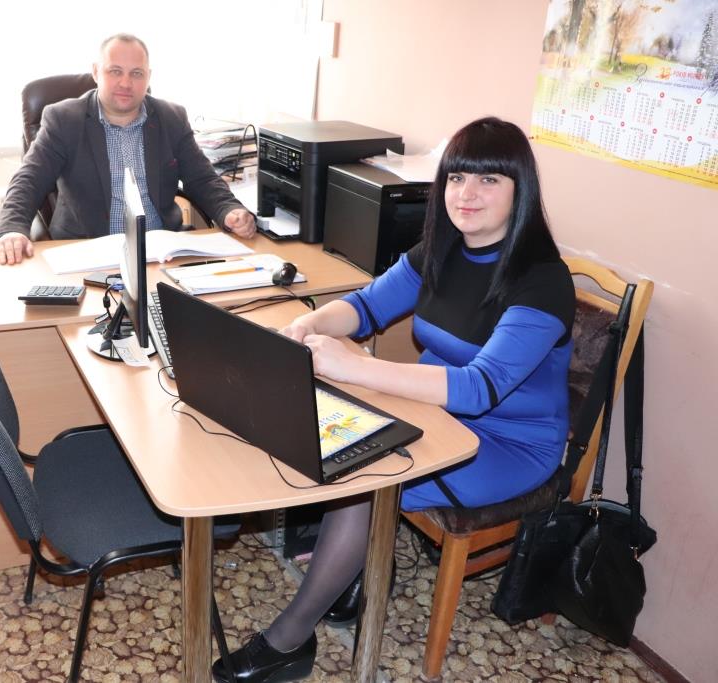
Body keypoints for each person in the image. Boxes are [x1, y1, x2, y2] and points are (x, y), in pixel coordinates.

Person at [212, 117, 576, 683]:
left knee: (362, 478)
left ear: (519, 190)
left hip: (508, 443)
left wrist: (358, 366)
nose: (467, 194)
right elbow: (366, 306)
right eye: (457, 178)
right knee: (329, 435)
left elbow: (480, 388)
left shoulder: (543, 281)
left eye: (489, 180)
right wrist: (308, 325)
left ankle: (290, 640)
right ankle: (346, 575)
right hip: (433, 411)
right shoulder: (443, 249)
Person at [0, 33, 256, 265]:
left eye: (136, 73)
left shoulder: (171, 118)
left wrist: (229, 210)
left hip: (161, 252)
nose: (126, 83)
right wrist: (11, 228)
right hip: (87, 252)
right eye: (115, 71)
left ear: (148, 77)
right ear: (96, 72)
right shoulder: (64, 119)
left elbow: (202, 178)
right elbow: (29, 179)